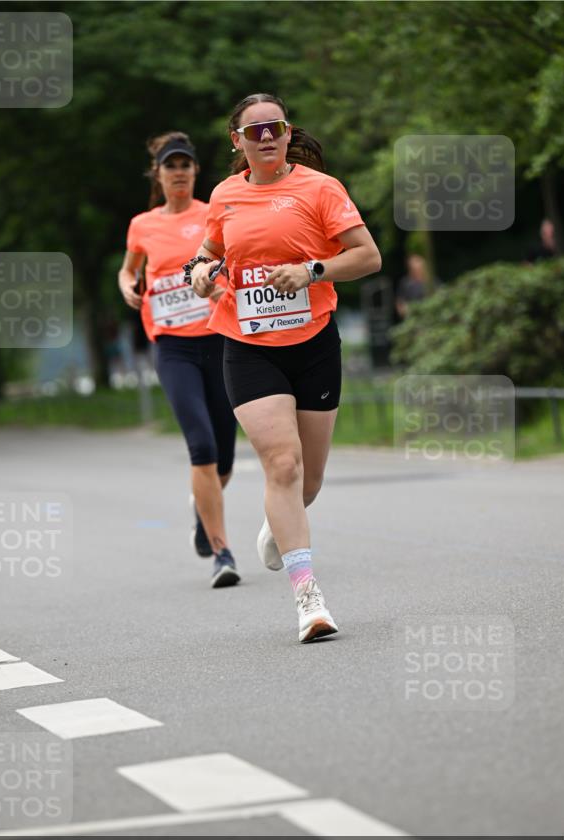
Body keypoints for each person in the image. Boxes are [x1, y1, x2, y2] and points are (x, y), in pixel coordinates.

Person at [186, 94, 381, 641]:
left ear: (288, 133)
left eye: (274, 128)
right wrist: (199, 274)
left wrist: (313, 270)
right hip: (246, 344)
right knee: (284, 466)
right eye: (254, 131)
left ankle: (278, 525)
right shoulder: (224, 195)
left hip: (314, 342)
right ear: (237, 141)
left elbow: (368, 256)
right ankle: (308, 599)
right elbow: (205, 255)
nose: (266, 137)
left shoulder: (321, 188)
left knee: (309, 480)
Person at [118, 132, 239, 588]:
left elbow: (235, 257)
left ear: (195, 172)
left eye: (187, 165)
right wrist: (128, 286)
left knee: (224, 456)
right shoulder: (142, 225)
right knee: (202, 446)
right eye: (172, 166)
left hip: (219, 338)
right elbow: (128, 268)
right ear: (159, 174)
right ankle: (222, 553)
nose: (180, 173)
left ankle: (201, 509)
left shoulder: (214, 213)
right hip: (173, 347)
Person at [395, 254, 434, 319]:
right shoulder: (405, 283)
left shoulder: (431, 282)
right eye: (412, 269)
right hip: (411, 318)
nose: (415, 271)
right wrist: (403, 310)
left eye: (417, 268)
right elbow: (399, 302)